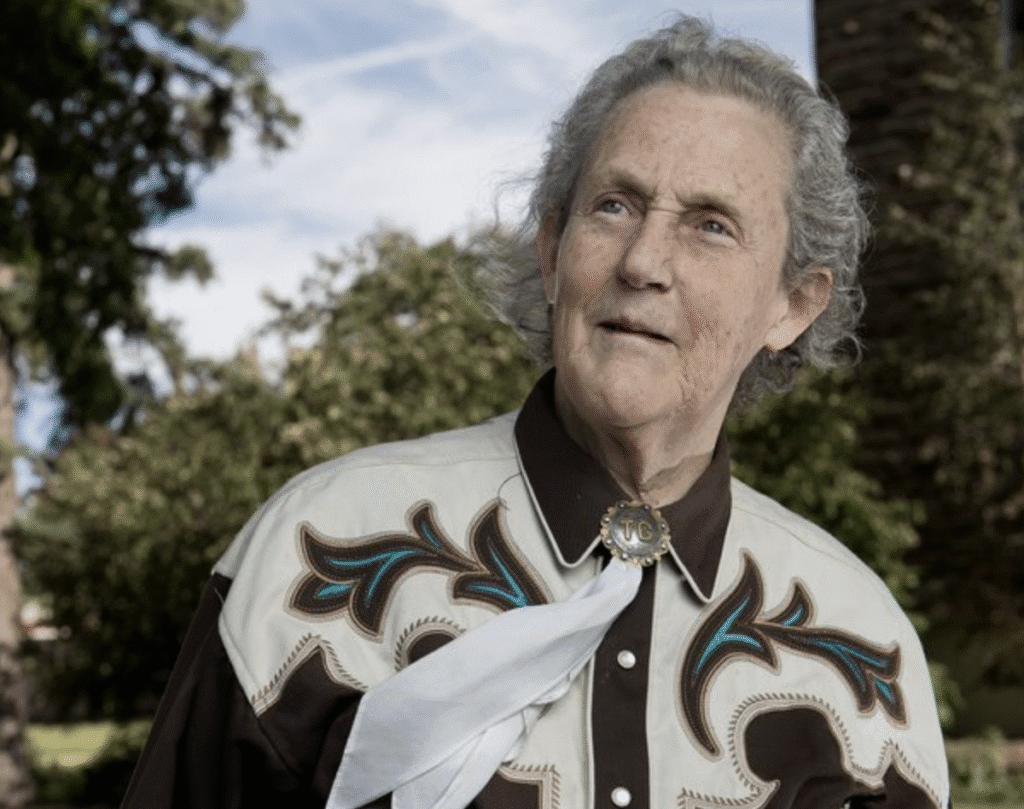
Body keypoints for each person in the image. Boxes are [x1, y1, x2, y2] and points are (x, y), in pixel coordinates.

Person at [122, 14, 951, 809]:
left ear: (792, 306)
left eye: (711, 226)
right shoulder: (315, 549)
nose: (644, 262)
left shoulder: (863, 643)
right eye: (615, 206)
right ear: (554, 252)